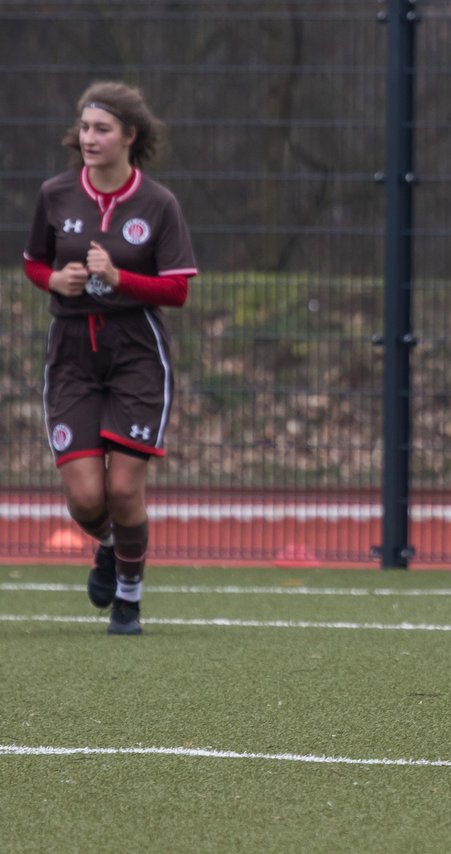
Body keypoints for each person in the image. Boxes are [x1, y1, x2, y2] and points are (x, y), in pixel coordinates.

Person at [22, 81, 198, 633]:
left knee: (124, 489)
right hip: (72, 353)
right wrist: (56, 279)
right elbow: (33, 263)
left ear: (130, 135)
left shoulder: (158, 203)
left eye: (101, 128)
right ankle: (111, 546)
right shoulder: (55, 194)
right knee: (85, 500)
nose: (88, 138)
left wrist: (120, 278)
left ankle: (129, 598)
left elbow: (177, 290)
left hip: (136, 355)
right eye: (84, 127)